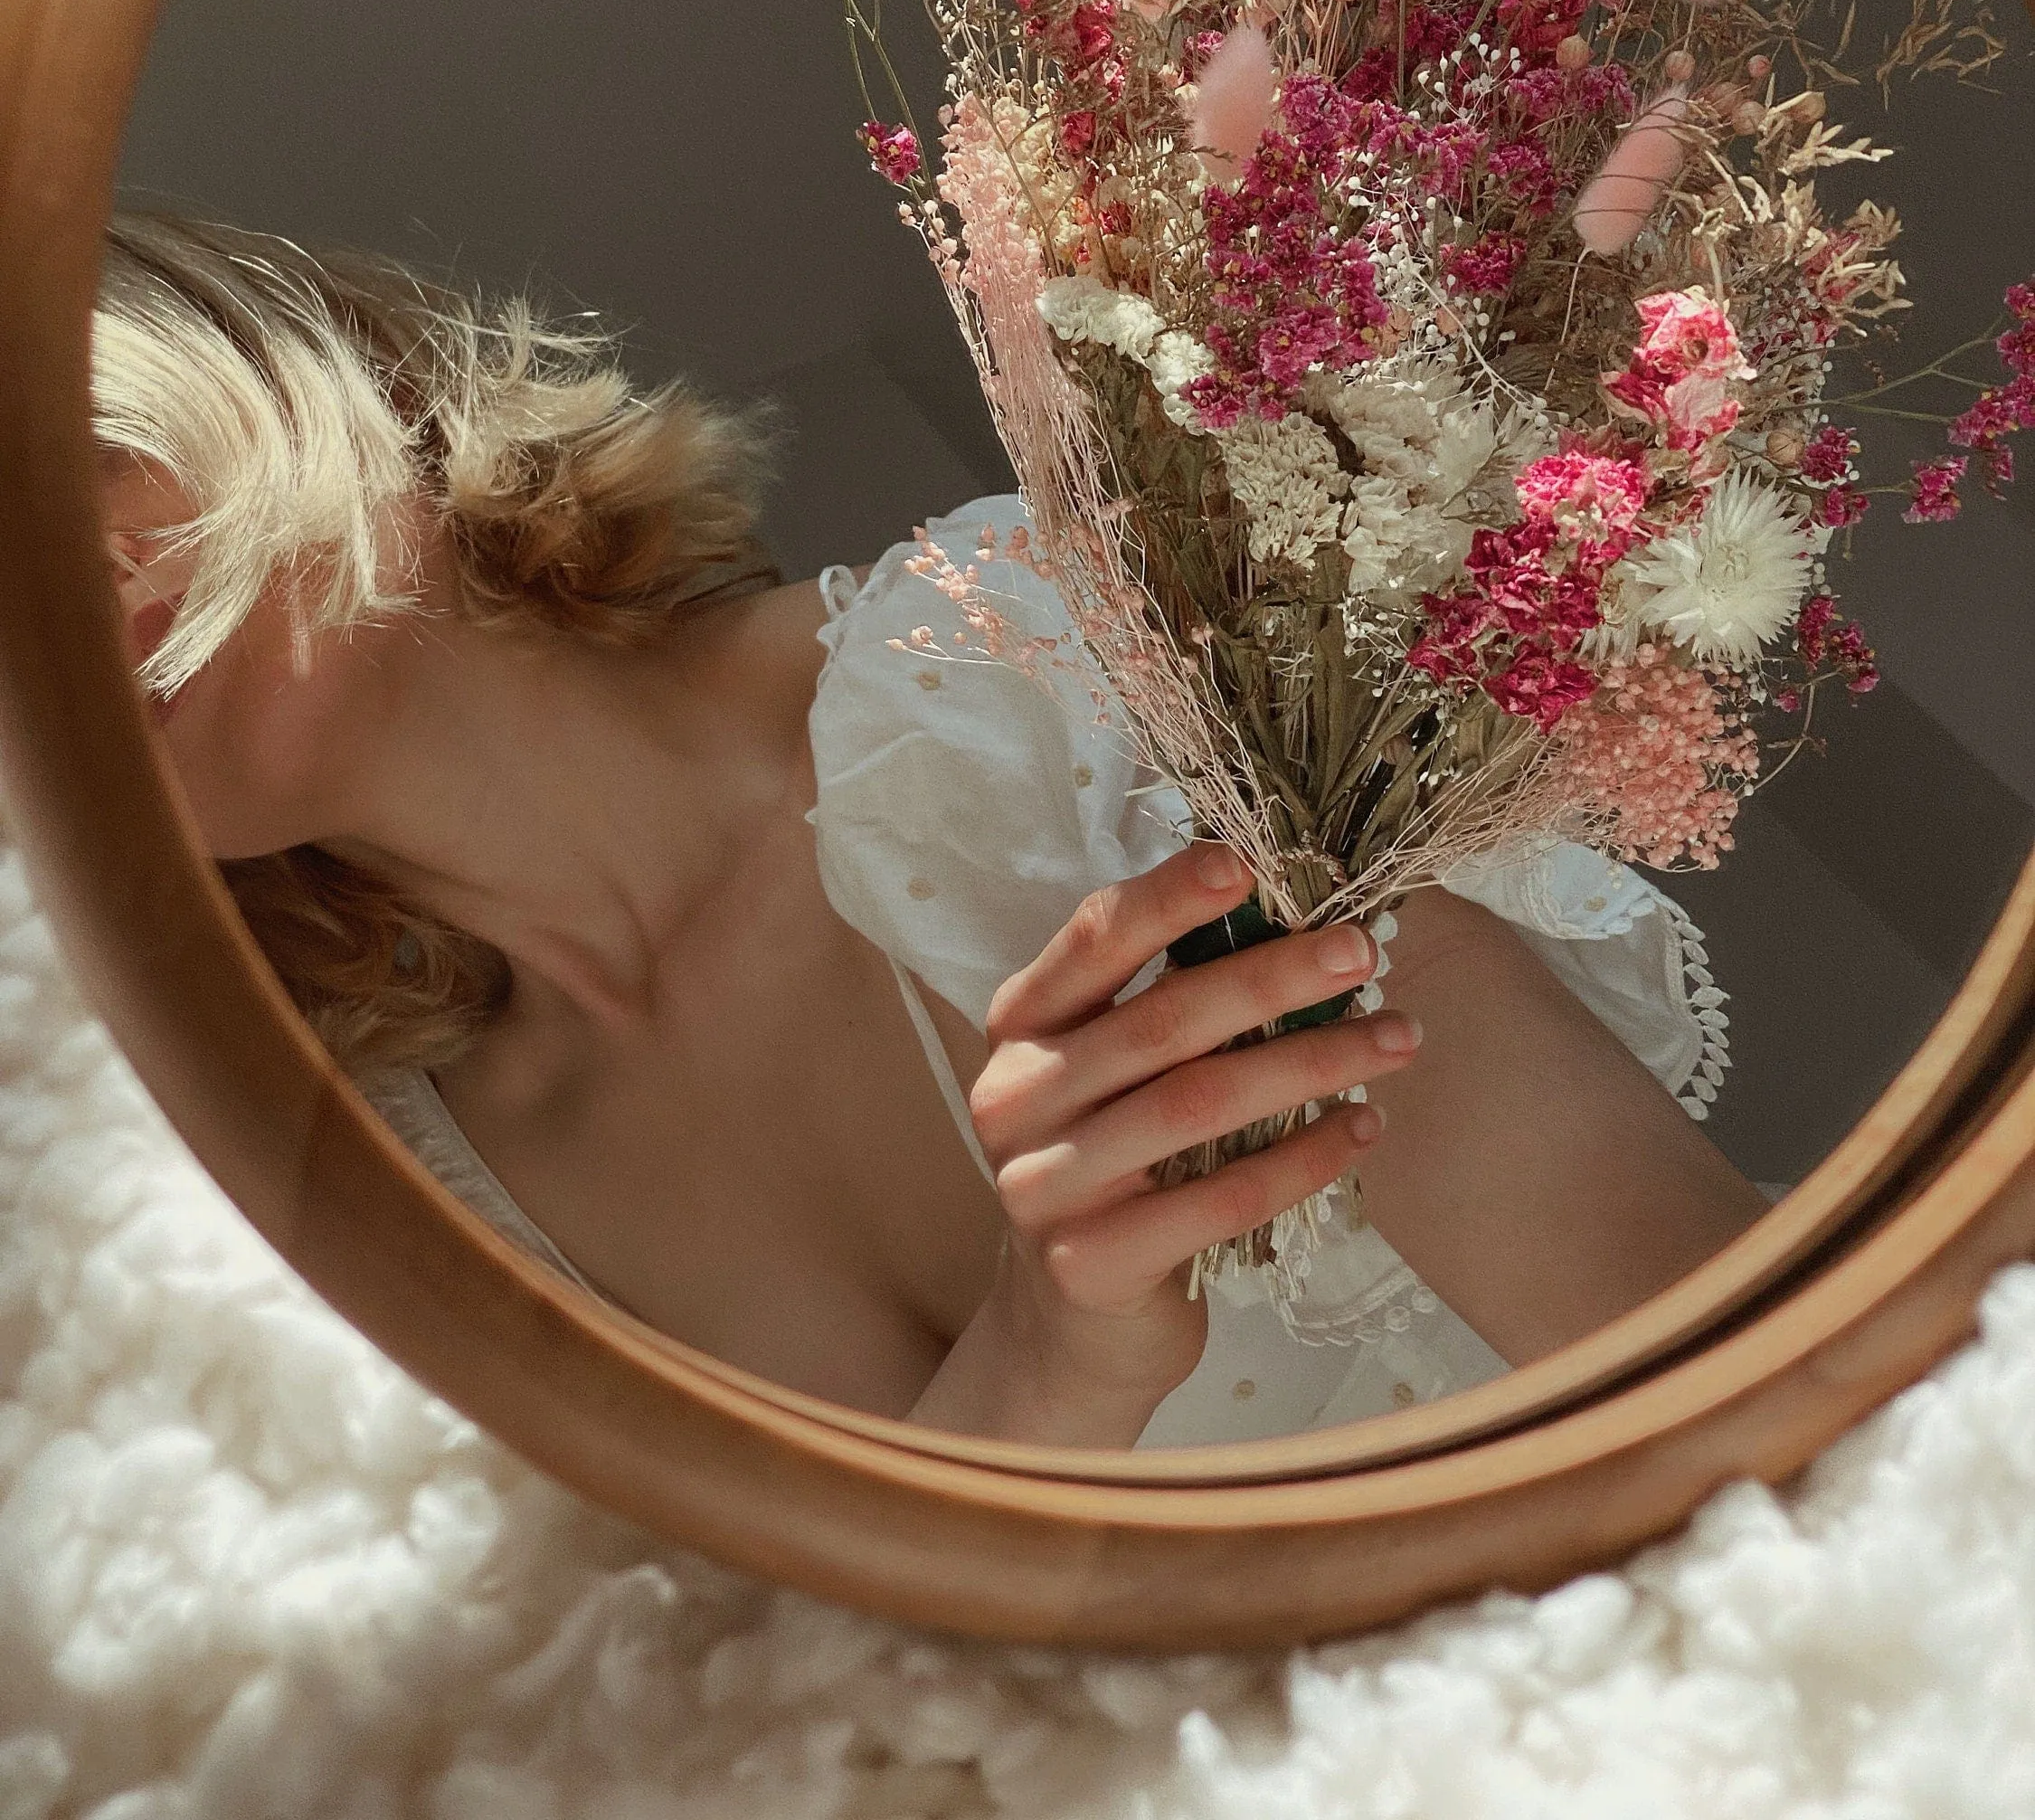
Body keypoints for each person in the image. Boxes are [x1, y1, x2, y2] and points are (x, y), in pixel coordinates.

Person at [92, 211, 1770, 1450]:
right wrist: (1054, 1366)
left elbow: (1754, 1407)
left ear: (249, 353)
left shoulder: (1049, 655)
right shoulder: (389, 1246)